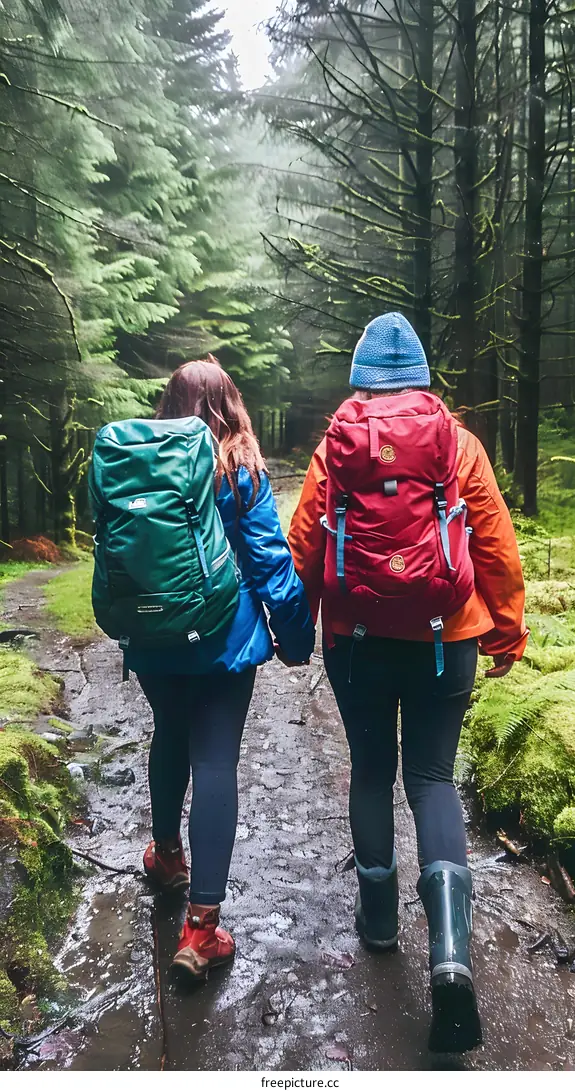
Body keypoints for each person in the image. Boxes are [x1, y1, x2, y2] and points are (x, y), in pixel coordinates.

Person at [288, 313, 528, 1053]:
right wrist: (507, 626)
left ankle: (381, 921)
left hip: (355, 640)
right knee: (431, 777)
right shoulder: (456, 442)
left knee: (370, 768)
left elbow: (304, 539)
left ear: (360, 379)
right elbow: (493, 541)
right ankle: (451, 954)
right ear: (422, 377)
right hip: (443, 637)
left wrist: (298, 627)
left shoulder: (338, 446)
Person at [126, 358, 314, 983]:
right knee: (214, 763)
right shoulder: (240, 468)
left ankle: (167, 855)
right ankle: (201, 929)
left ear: (169, 403)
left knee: (168, 736)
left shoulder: (139, 466)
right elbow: (270, 565)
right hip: (222, 644)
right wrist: (293, 639)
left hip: (153, 639)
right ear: (230, 403)